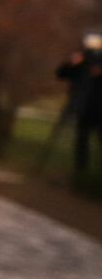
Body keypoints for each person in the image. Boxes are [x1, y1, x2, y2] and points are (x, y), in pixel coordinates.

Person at [56, 32, 102, 174]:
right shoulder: (81, 63)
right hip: (82, 107)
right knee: (82, 140)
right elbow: (61, 73)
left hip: (99, 108)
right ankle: (81, 171)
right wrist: (72, 62)